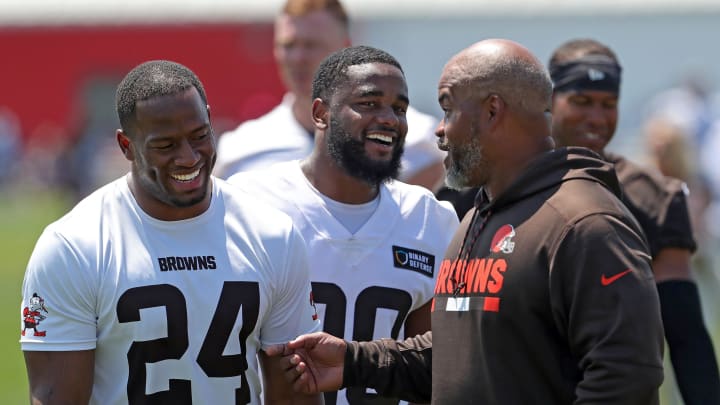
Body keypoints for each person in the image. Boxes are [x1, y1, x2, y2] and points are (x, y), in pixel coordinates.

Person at [266, 39, 665, 404]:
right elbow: (457, 354)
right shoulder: (475, 219)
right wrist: (355, 362)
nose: (438, 131)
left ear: (492, 111)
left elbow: (627, 377)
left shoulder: (584, 223)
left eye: (447, 109)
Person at [20, 60, 322, 404]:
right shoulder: (74, 245)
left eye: (199, 136)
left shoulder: (272, 234)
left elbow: (295, 394)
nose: (189, 157)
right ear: (126, 146)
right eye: (166, 145)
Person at [228, 45, 458, 405]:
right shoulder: (249, 203)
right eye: (369, 103)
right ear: (321, 113)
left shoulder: (430, 218)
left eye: (399, 108)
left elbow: (431, 367)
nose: (389, 119)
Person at [548, 38, 720, 404]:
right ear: (549, 101)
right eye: (581, 101)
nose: (596, 117)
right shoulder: (509, 184)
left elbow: (686, 334)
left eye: (608, 104)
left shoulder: (652, 196)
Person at [214, 0, 446, 191]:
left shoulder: (417, 140)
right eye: (288, 45)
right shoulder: (241, 150)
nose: (297, 58)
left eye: (311, 45)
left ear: (345, 48)